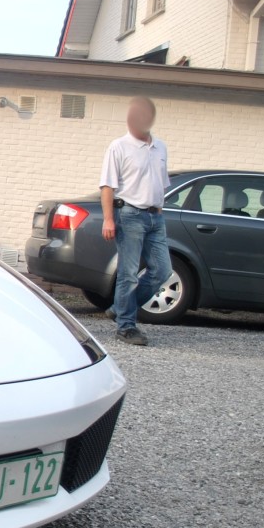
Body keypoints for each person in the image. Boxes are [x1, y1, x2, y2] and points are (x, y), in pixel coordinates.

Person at [100, 96, 172, 346]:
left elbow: (161, 184)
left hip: (155, 217)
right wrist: (108, 219)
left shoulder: (160, 147)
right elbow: (107, 185)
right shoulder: (118, 147)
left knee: (163, 270)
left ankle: (121, 308)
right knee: (129, 273)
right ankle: (126, 326)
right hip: (129, 215)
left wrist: (160, 212)